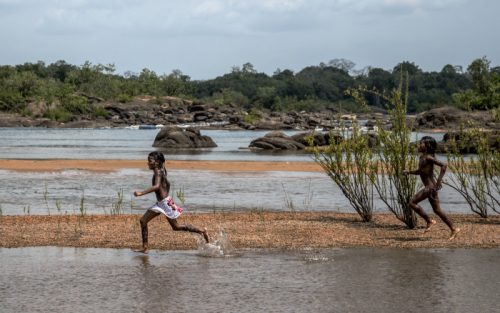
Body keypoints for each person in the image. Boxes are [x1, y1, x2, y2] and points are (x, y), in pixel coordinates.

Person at [134, 151, 209, 253]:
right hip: (163, 203)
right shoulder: (161, 171)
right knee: (143, 221)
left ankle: (202, 231)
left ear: (157, 162)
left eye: (150, 161)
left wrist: (141, 193)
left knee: (176, 227)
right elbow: (166, 185)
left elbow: (156, 186)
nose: (148, 163)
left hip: (165, 203)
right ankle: (145, 247)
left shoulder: (158, 172)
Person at [403, 136, 460, 240]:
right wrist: (409, 172)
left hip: (430, 187)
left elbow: (444, 165)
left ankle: (429, 221)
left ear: (427, 146)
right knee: (437, 210)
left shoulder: (429, 157)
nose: (419, 145)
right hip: (430, 187)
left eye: (421, 143)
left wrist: (438, 182)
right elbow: (421, 172)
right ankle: (453, 228)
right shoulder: (422, 157)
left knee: (412, 202)